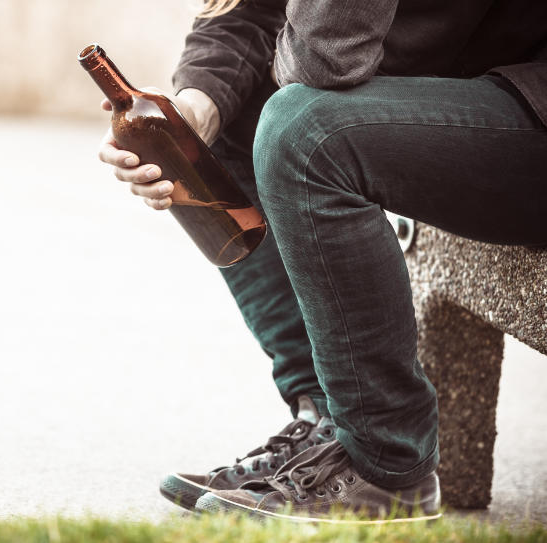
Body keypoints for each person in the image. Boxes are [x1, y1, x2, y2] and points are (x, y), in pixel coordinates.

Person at [97, 0, 547, 522]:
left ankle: (386, 465)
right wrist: (196, 106)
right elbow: (248, 10)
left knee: (303, 130)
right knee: (228, 118)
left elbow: (327, 60)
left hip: (531, 101)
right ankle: (327, 424)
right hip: (482, 82)